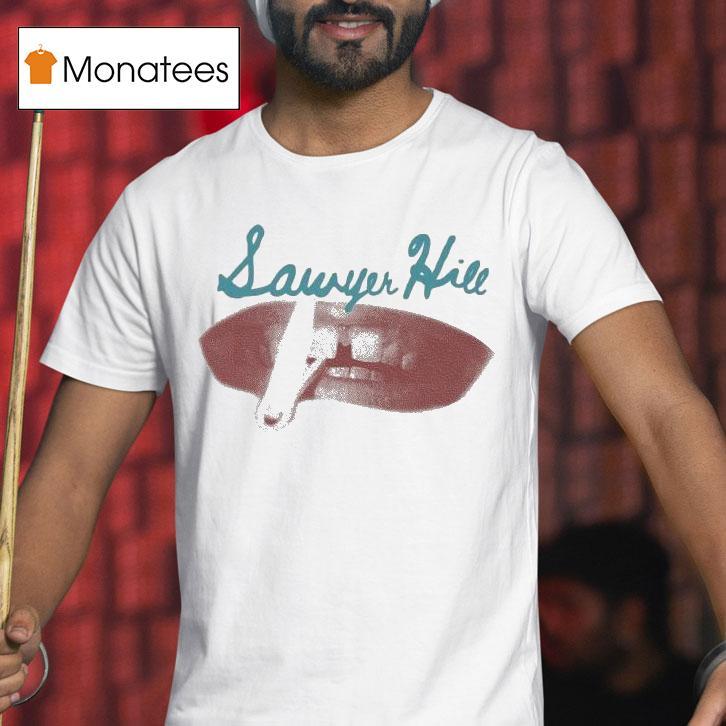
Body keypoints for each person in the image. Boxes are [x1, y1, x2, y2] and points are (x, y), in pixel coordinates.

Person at [2, 0, 725, 721]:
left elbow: (664, 412)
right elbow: (70, 473)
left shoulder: (524, 181)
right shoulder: (162, 206)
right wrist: (14, 622)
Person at [538, 520, 699, 725]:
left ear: (629, 617)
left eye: (567, 606)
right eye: (543, 610)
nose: (550, 626)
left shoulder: (702, 699)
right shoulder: (545, 701)